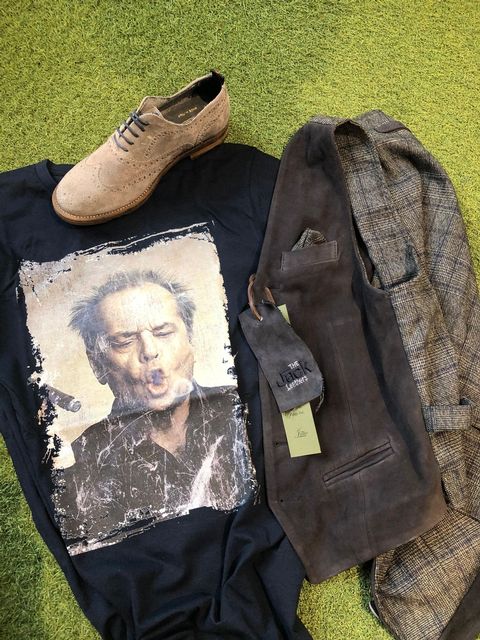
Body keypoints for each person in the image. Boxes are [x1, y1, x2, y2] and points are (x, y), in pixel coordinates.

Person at [54, 270, 255, 552]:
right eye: (124, 341)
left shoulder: (243, 407)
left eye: (163, 332)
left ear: (191, 339)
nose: (149, 351)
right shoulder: (84, 464)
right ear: (97, 364)